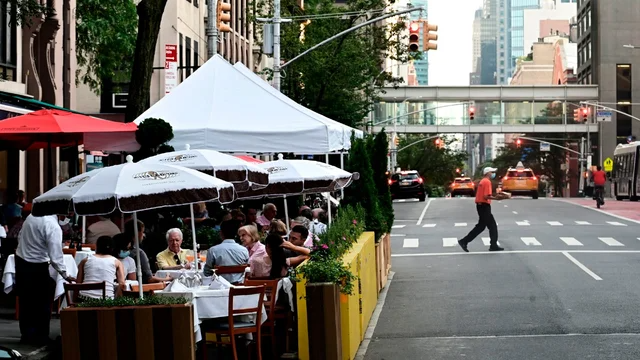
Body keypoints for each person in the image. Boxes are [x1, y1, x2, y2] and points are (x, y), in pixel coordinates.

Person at [15, 214, 75, 345]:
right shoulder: (53, 226)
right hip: (37, 265)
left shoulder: (31, 216)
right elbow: (56, 255)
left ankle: (26, 334)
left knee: (26, 300)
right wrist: (65, 274)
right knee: (43, 302)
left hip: (21, 261)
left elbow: (20, 237)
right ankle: (41, 336)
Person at [458, 167, 504, 253]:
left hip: (481, 206)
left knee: (482, 226)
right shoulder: (487, 182)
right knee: (491, 226)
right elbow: (486, 196)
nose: (493, 173)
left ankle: (464, 241)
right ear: (487, 173)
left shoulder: (482, 181)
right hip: (484, 206)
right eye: (492, 172)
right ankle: (493, 245)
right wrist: (496, 198)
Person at [125, 219, 171, 284]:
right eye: (142, 232)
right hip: (139, 288)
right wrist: (167, 279)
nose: (143, 235)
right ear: (137, 232)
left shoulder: (118, 251)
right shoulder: (138, 253)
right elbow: (148, 278)